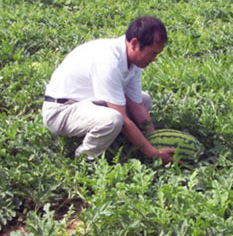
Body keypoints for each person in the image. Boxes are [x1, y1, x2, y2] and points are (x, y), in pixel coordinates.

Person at [42, 16, 175, 164]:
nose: (154, 59)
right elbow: (123, 120)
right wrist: (153, 154)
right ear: (135, 44)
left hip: (86, 102)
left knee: (145, 100)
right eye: (152, 53)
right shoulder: (108, 62)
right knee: (113, 120)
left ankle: (110, 136)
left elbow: (137, 105)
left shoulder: (133, 60)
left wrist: (156, 141)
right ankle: (84, 158)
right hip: (61, 111)